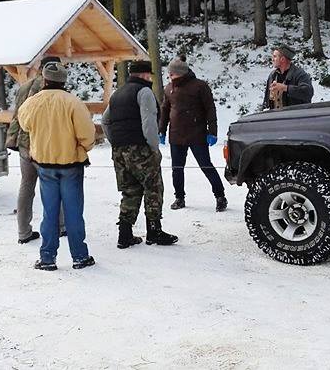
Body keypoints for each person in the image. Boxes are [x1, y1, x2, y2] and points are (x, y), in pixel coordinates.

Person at [17, 62, 97, 271]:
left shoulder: (33, 103)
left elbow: (24, 124)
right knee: (73, 212)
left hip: (44, 165)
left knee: (49, 212)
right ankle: (79, 256)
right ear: (64, 80)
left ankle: (47, 257)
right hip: (71, 165)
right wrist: (83, 147)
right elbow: (87, 135)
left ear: (44, 79)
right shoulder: (73, 102)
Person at [102, 60, 179, 249]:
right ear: (145, 75)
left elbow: (105, 121)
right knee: (153, 188)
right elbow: (149, 122)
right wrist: (153, 147)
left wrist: (117, 143)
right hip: (141, 149)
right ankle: (154, 231)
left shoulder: (117, 94)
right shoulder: (144, 92)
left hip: (119, 151)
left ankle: (125, 234)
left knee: (130, 190)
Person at [6, 56, 65, 244]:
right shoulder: (54, 88)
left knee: (26, 185)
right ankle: (61, 226)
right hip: (45, 145)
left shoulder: (24, 87)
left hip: (25, 144)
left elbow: (17, 117)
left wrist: (13, 140)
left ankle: (23, 232)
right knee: (56, 185)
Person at [159, 57, 227, 212]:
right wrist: (161, 130)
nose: (170, 76)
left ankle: (220, 196)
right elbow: (164, 110)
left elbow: (210, 108)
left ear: (181, 73)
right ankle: (179, 197)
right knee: (177, 168)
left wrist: (212, 131)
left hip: (197, 133)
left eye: (172, 73)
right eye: (169, 73)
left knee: (205, 165)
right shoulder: (169, 88)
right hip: (176, 135)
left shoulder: (199, 86)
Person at [262, 45, 314, 110]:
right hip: (276, 118)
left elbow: (308, 93)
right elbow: (266, 101)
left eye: (275, 56)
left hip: (296, 118)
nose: (272, 59)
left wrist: (285, 88)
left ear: (282, 59)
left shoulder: (300, 74)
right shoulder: (272, 75)